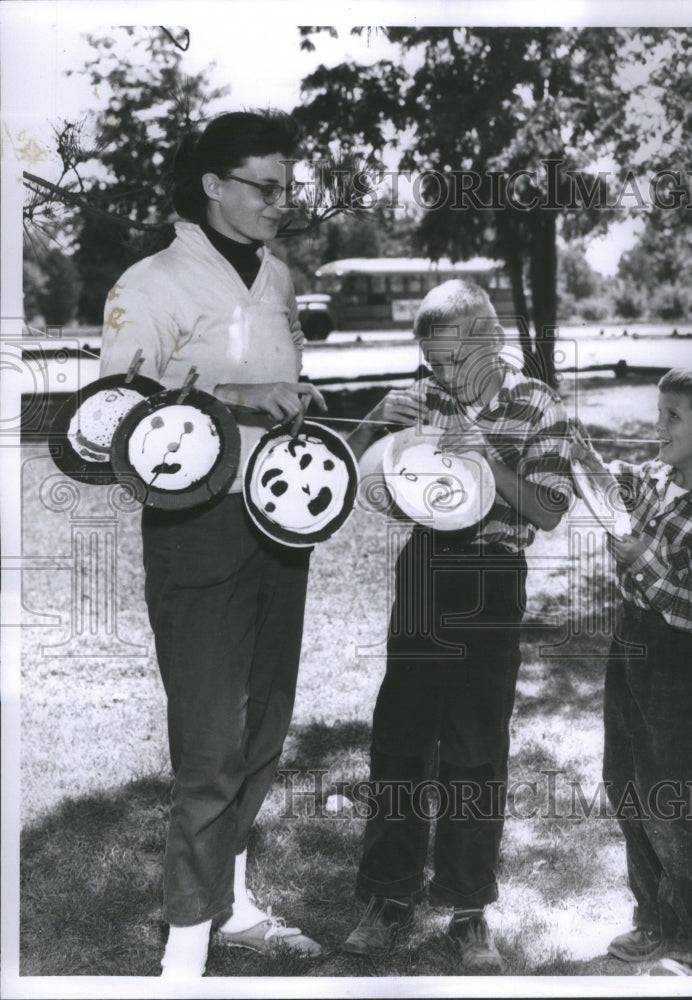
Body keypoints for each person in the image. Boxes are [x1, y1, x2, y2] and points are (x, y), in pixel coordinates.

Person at [99, 111, 328, 978]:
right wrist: (239, 397)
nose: (282, 201)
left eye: (288, 187)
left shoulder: (277, 277)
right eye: (266, 186)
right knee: (208, 742)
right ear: (213, 185)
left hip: (281, 519)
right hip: (196, 526)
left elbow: (283, 380)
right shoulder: (151, 281)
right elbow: (116, 415)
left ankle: (229, 908)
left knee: (264, 725)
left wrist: (293, 402)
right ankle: (184, 958)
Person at [341, 280, 573, 971]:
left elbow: (548, 508)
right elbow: (350, 472)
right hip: (425, 568)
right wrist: (377, 419)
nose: (440, 378)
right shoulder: (422, 396)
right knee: (400, 741)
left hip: (491, 578)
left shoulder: (539, 405)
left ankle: (469, 912)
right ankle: (388, 899)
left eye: (450, 362)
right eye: (432, 363)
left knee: (475, 748)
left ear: (490, 342)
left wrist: (483, 456)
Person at [571, 363, 692, 977]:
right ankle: (652, 917)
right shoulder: (656, 476)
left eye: (672, 417)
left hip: (687, 668)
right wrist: (570, 444)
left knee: (679, 802)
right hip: (633, 651)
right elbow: (608, 482)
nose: (658, 426)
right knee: (627, 785)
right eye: (659, 413)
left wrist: (645, 559)